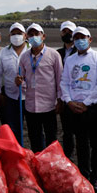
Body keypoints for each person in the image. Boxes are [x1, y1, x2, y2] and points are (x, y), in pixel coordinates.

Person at [60, 27, 97, 190]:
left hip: (93, 108)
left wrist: (86, 103)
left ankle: (96, 177)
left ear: (90, 39)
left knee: (96, 143)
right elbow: (65, 82)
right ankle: (83, 174)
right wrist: (68, 101)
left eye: (83, 37)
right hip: (74, 107)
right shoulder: (70, 60)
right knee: (81, 142)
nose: (80, 41)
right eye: (77, 38)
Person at [16, 23, 63, 152]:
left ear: (43, 36)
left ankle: (51, 163)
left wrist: (60, 100)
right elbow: (22, 77)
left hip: (49, 104)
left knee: (51, 138)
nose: (34, 37)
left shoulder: (54, 55)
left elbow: (60, 78)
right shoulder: (24, 57)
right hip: (31, 104)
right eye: (31, 35)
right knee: (34, 137)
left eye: (37, 34)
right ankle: (38, 162)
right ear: (26, 37)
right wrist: (20, 82)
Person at [0, 23, 28, 140]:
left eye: (19, 33)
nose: (16, 36)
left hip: (30, 97)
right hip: (11, 96)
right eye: (13, 34)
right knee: (13, 128)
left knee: (33, 127)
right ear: (9, 36)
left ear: (25, 35)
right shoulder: (4, 52)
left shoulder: (31, 50)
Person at [55, 20, 78, 158]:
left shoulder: (80, 51)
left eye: (70, 31)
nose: (67, 34)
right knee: (67, 129)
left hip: (79, 96)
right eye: (65, 31)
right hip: (63, 96)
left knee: (81, 130)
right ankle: (68, 156)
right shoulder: (57, 53)